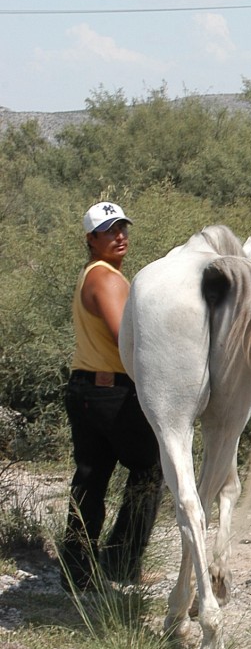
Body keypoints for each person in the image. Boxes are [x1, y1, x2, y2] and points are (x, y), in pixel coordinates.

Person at [58, 201, 163, 589]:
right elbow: (126, 338)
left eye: (122, 228)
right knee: (150, 469)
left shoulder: (93, 273)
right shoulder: (106, 278)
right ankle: (121, 563)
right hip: (112, 394)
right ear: (91, 238)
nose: (119, 236)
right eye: (109, 231)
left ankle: (77, 569)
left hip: (87, 389)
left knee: (91, 478)